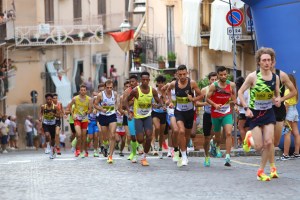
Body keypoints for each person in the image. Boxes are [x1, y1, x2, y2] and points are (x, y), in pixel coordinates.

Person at [238, 47, 281, 181]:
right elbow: (240, 92)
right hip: (254, 114)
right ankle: (249, 137)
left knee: (269, 143)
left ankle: (261, 171)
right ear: (259, 62)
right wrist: (246, 108)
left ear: (272, 62)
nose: (267, 63)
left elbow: (276, 95)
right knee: (258, 147)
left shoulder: (276, 78)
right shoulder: (253, 76)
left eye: (269, 60)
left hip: (268, 113)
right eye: (264, 60)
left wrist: (277, 100)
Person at [166, 65, 203, 167]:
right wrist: (170, 101)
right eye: (180, 74)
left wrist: (193, 99)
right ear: (177, 74)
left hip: (190, 112)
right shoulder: (174, 84)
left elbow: (201, 95)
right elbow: (168, 90)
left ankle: (184, 152)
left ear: (187, 74)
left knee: (187, 135)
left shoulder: (192, 83)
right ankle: (183, 156)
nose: (182, 76)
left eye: (184, 74)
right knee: (181, 131)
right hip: (179, 112)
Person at [125, 71, 162, 166]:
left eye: (147, 80)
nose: (145, 81)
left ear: (149, 80)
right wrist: (129, 111)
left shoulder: (152, 90)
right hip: (138, 117)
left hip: (148, 116)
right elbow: (126, 100)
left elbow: (159, 101)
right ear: (141, 80)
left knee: (149, 136)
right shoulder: (136, 91)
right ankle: (140, 146)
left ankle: (144, 157)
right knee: (140, 139)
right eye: (143, 80)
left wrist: (157, 106)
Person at [206, 66, 237, 167]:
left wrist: (235, 105)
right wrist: (215, 105)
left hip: (227, 112)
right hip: (215, 113)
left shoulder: (231, 85)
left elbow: (233, 97)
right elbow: (207, 99)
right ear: (218, 75)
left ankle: (227, 156)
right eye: (221, 75)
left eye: (225, 74)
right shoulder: (214, 86)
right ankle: (213, 142)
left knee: (228, 133)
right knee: (218, 137)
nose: (223, 76)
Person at [94, 79, 118, 163]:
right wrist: (101, 109)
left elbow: (116, 103)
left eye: (111, 87)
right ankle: (105, 143)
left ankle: (110, 156)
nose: (109, 89)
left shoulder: (114, 94)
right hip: (103, 116)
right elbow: (95, 104)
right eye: (107, 87)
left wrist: (116, 108)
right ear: (105, 87)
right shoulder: (101, 95)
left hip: (112, 115)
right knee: (105, 136)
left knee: (112, 135)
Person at [196, 72, 217, 167]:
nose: (214, 81)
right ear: (209, 80)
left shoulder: (220, 89)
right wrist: (205, 104)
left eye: (215, 79)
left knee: (217, 134)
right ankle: (207, 156)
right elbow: (197, 103)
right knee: (206, 138)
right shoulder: (204, 90)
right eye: (212, 80)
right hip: (207, 115)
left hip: (217, 114)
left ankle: (213, 142)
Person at [69, 84, 93, 158]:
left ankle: (82, 151)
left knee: (83, 136)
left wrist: (87, 112)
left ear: (86, 91)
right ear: (79, 91)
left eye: (84, 90)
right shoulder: (75, 99)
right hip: (77, 119)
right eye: (81, 90)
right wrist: (72, 115)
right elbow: (69, 106)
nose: (83, 91)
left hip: (84, 119)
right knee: (78, 134)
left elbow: (90, 109)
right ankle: (77, 150)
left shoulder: (89, 99)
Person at [281, 74, 300, 160]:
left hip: (289, 113)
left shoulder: (287, 91)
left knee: (287, 133)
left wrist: (284, 118)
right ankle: (296, 153)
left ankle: (285, 154)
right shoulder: (295, 90)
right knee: (296, 133)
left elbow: (286, 105)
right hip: (295, 111)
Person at [152, 75, 167, 159]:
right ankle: (156, 141)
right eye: (159, 82)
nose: (161, 84)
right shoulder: (154, 91)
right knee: (157, 127)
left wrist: (164, 104)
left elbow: (167, 102)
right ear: (157, 83)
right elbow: (150, 102)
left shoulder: (166, 91)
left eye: (162, 82)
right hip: (155, 113)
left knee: (162, 133)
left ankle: (160, 148)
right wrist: (153, 105)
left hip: (163, 113)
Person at [40, 93, 60, 159]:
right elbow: (41, 113)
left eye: (50, 99)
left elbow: (59, 115)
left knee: (53, 139)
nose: (49, 100)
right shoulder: (43, 106)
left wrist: (54, 114)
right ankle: (48, 146)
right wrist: (40, 118)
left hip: (53, 124)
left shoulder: (55, 107)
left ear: (52, 100)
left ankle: (52, 151)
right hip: (45, 123)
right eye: (47, 99)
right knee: (47, 135)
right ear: (46, 100)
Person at [234, 77, 250, 145]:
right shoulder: (246, 91)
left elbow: (241, 104)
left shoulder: (242, 91)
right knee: (246, 128)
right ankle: (248, 143)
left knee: (240, 127)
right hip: (246, 111)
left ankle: (245, 143)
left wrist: (235, 102)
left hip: (243, 112)